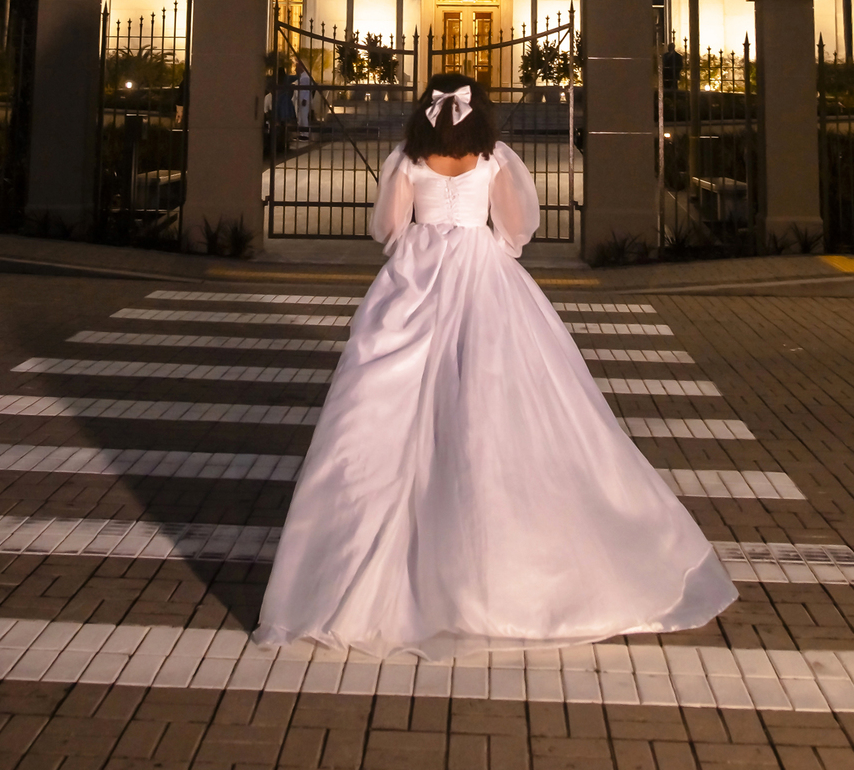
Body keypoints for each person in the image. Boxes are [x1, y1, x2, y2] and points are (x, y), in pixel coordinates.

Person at [255, 73, 735, 659]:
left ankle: (360, 572)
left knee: (382, 409)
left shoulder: (407, 158)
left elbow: (387, 229)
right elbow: (515, 230)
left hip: (415, 280)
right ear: (478, 113)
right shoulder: (493, 157)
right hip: (482, 272)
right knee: (492, 399)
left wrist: (418, 233)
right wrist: (483, 242)